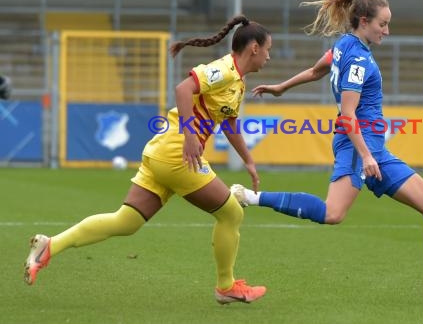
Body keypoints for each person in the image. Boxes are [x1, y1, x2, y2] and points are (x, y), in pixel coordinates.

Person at [232, 0, 423, 305]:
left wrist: (281, 87)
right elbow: (348, 116)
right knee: (333, 213)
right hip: (359, 148)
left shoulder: (345, 45)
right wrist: (367, 155)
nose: (386, 31)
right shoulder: (359, 59)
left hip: (374, 150)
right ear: (365, 21)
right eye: (383, 24)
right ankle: (250, 197)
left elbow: (318, 70)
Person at [24, 15, 271, 305]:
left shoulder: (237, 83)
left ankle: (50, 246)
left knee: (126, 221)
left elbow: (228, 123)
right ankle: (226, 286)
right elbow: (183, 89)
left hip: (162, 152)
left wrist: (248, 161)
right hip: (176, 153)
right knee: (231, 213)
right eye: (268, 49)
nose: (269, 56)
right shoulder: (225, 69)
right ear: (253, 48)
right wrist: (191, 136)